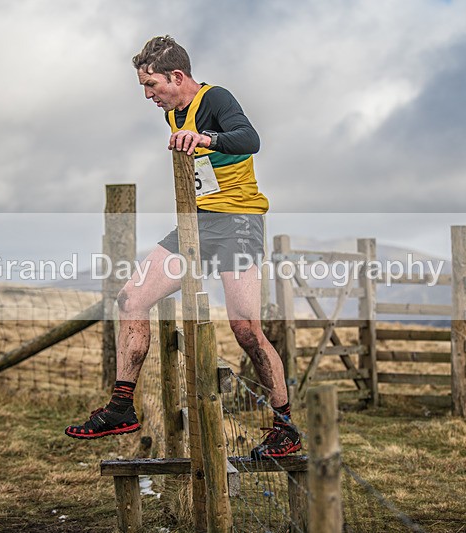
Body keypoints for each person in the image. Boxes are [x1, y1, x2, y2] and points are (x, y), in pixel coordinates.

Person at [65, 35, 301, 459]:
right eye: (143, 87)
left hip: (238, 222)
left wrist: (205, 138)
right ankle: (121, 406)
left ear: (176, 76)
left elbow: (249, 139)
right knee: (131, 297)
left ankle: (284, 426)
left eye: (151, 85)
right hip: (196, 224)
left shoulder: (215, 99)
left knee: (245, 329)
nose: (147, 95)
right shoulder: (173, 114)